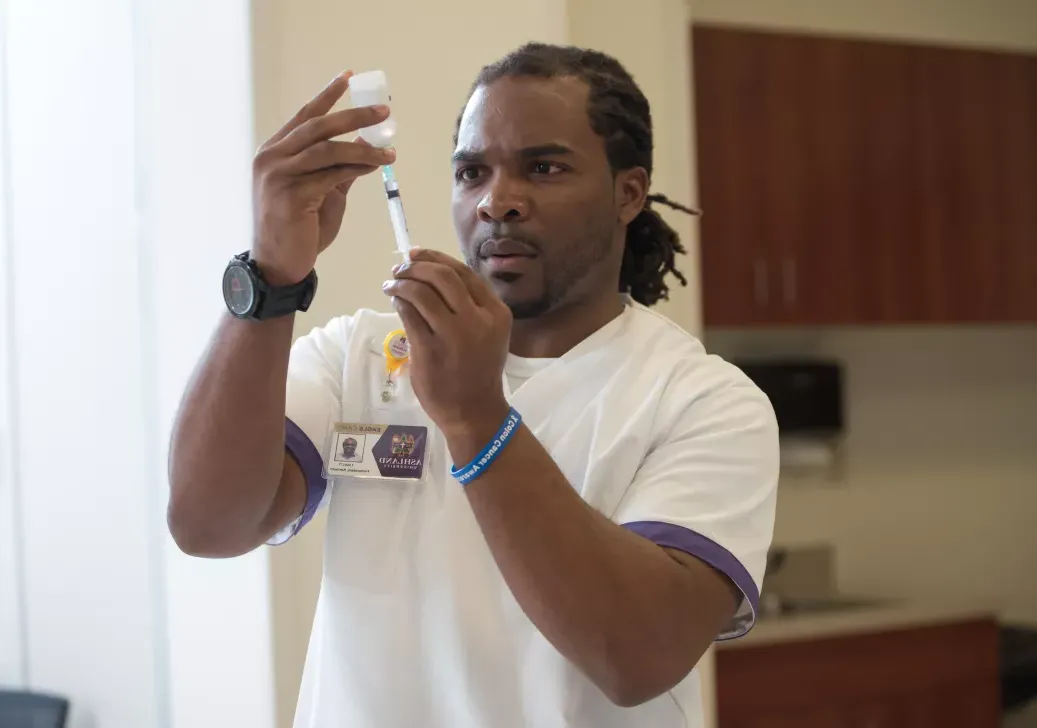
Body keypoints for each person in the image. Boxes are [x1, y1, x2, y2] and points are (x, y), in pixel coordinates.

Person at [168, 42, 778, 728]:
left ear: (627, 192)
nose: (498, 202)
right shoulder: (361, 355)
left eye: (543, 168)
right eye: (471, 173)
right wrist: (271, 279)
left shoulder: (702, 400)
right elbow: (207, 523)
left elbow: (635, 657)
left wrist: (477, 418)